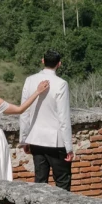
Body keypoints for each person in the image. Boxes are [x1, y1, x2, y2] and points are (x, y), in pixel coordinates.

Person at [19, 50, 74, 191]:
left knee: (40, 181)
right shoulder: (61, 84)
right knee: (62, 181)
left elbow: (24, 111)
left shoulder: (30, 80)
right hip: (56, 141)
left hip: (36, 138)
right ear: (59, 64)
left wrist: (24, 139)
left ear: (42, 60)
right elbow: (63, 116)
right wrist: (68, 146)